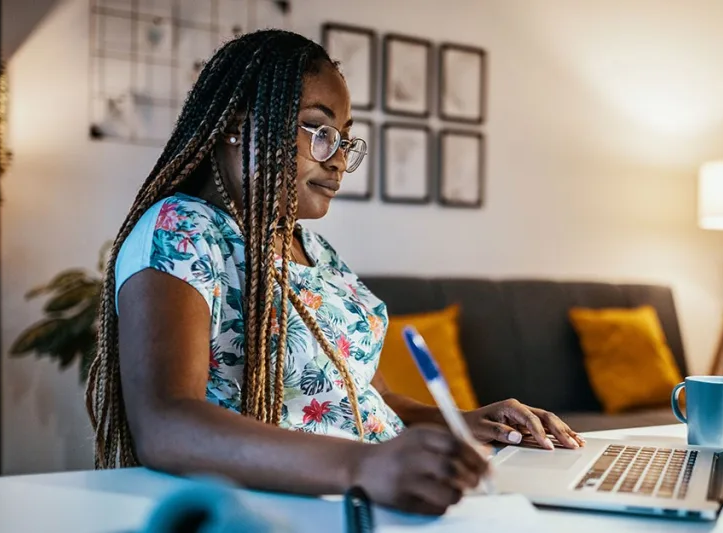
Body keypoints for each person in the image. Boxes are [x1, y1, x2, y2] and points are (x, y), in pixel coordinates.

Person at [86, 29, 584, 516]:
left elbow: (371, 395)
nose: (340, 159)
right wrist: (363, 466)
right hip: (288, 509)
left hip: (371, 499)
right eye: (320, 132)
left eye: (345, 140)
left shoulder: (315, 251)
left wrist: (468, 423)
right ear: (238, 124)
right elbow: (166, 423)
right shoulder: (182, 229)